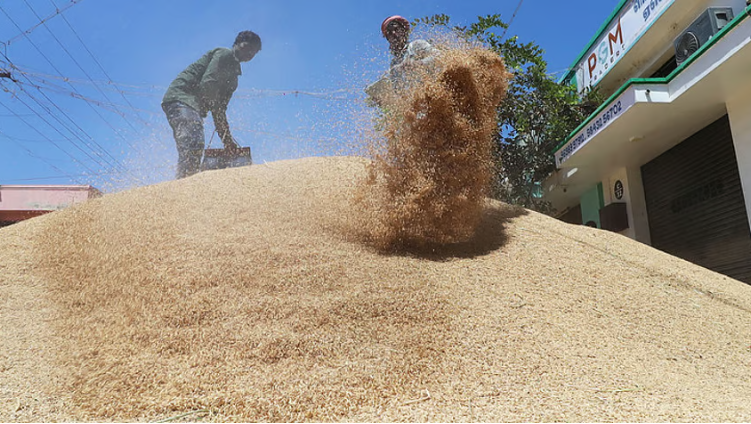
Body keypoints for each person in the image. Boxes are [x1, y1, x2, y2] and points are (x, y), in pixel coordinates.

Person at [162, 31, 261, 179]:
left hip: (190, 105)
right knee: (193, 141)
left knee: (195, 142)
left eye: (254, 51)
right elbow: (208, 84)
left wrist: (227, 140)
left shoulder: (234, 79)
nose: (250, 52)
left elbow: (220, 111)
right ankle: (184, 184)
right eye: (248, 46)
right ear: (238, 43)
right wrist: (216, 110)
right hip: (182, 98)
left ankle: (187, 181)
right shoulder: (225, 54)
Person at [366, 15, 439, 106]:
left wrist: (418, 64)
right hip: (417, 107)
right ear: (388, 39)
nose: (393, 33)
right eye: (389, 33)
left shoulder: (416, 45)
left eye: (396, 29)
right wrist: (385, 99)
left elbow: (440, 57)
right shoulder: (394, 64)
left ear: (404, 31)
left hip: (433, 97)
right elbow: (398, 93)